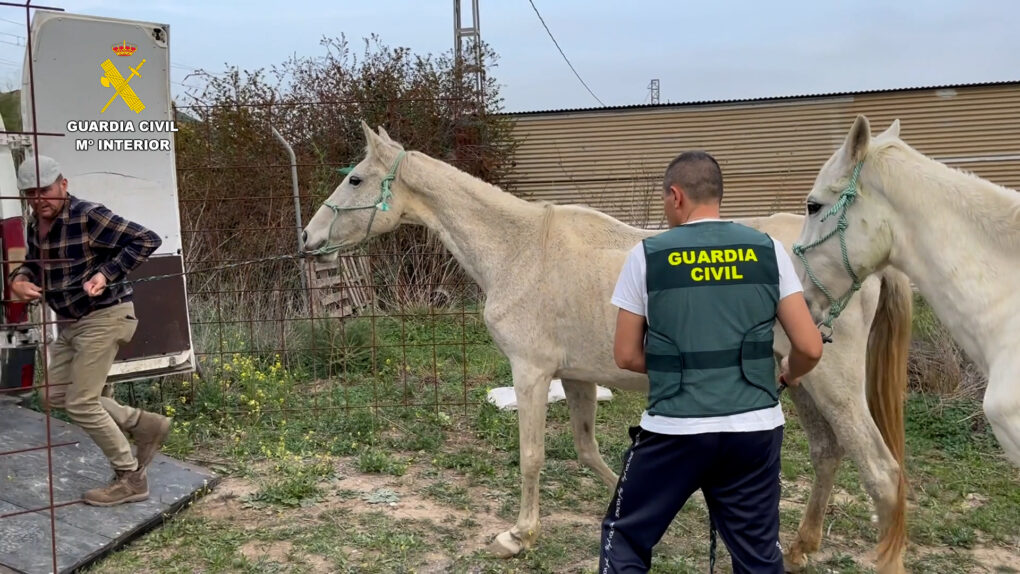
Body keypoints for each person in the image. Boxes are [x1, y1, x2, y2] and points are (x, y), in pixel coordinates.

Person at [599, 151, 823, 573]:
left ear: (675, 195)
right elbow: (810, 347)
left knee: (625, 535)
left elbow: (626, 355)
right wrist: (789, 373)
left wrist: (679, 365)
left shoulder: (647, 256)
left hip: (676, 430)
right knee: (758, 557)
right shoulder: (768, 250)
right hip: (754, 430)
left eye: (665, 200)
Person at [8, 154, 172, 507]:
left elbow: (146, 239)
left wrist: (105, 274)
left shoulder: (87, 215)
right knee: (53, 395)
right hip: (73, 322)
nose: (40, 199)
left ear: (63, 184)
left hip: (106, 314)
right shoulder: (36, 224)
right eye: (31, 193)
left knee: (82, 401)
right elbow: (32, 268)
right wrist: (20, 281)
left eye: (46, 191)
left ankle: (130, 477)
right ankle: (143, 425)